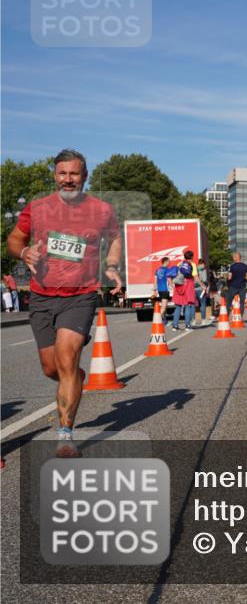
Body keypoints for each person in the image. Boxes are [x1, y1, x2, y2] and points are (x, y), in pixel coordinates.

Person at [5, 149, 122, 457]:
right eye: (62, 173)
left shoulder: (100, 210)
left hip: (80, 296)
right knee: (51, 368)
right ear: (55, 175)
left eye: (74, 174)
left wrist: (111, 263)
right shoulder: (38, 208)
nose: (68, 179)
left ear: (85, 177)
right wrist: (24, 252)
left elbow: (116, 237)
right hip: (42, 296)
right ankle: (74, 379)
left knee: (67, 359)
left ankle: (65, 434)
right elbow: (14, 239)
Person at [171, 250, 196, 331]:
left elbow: (174, 274)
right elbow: (195, 276)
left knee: (178, 306)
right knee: (187, 305)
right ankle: (187, 325)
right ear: (192, 257)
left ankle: (175, 326)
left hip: (178, 286)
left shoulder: (180, 264)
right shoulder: (192, 264)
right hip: (188, 286)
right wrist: (202, 285)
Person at [225, 251, 247, 316]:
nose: (233, 258)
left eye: (233, 257)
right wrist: (243, 279)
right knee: (242, 302)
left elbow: (229, 277)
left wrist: (227, 283)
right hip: (242, 286)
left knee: (229, 301)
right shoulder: (245, 266)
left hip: (233, 286)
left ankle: (227, 315)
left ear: (236, 258)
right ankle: (240, 316)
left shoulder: (232, 266)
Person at [195, 258, 210, 326]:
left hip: (194, 289)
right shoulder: (203, 270)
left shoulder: (195, 269)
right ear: (203, 263)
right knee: (203, 304)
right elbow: (204, 280)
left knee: (193, 305)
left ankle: (192, 320)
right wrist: (206, 286)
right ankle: (203, 319)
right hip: (201, 288)